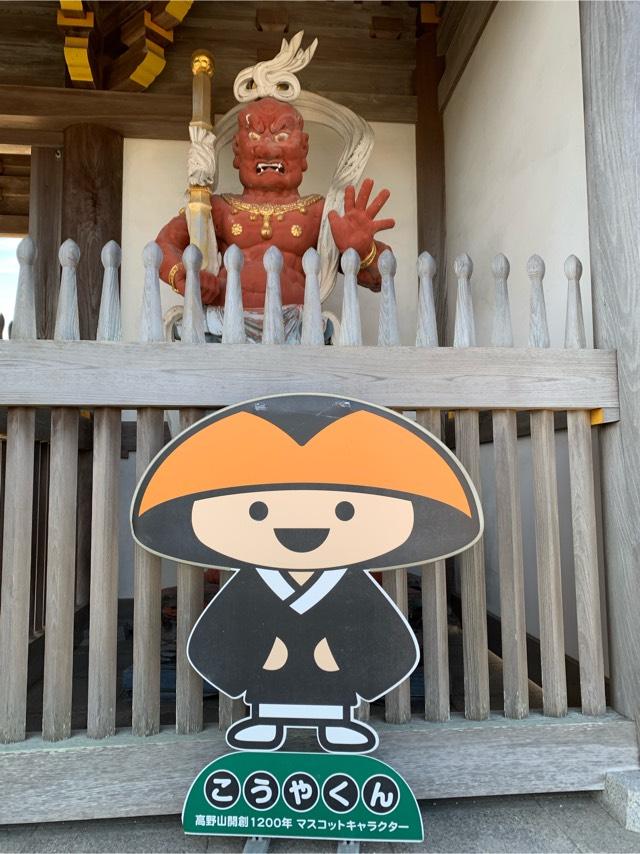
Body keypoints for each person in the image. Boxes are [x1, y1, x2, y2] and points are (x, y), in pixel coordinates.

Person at [131, 394, 483, 753]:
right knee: (265, 681)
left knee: (334, 682)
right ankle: (266, 720)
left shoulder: (352, 586)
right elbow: (214, 639)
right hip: (265, 688)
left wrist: (345, 655)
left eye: (345, 510)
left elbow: (390, 642)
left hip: (338, 688)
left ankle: (337, 722)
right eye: (258, 510)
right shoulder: (250, 586)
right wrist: (255, 656)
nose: (301, 526)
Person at [155, 97, 395, 309]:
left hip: (298, 327)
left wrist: (364, 251)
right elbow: (163, 245)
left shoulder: (319, 213)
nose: (268, 149)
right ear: (237, 150)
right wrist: (183, 275)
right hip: (225, 324)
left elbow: (379, 278)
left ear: (303, 150)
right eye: (254, 136)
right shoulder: (218, 208)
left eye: (281, 136)